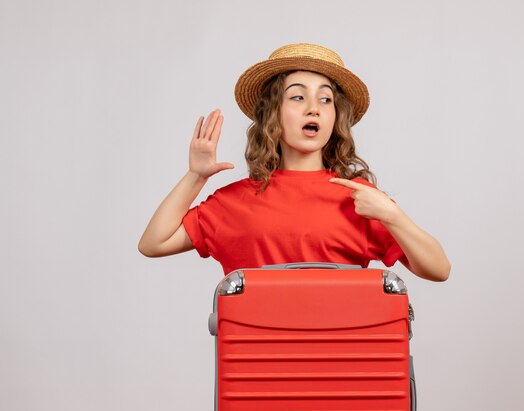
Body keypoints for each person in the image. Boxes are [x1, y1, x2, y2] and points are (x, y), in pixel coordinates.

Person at [138, 43, 450, 282]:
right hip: (257, 361)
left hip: (344, 360)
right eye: (298, 97)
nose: (314, 108)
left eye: (325, 99)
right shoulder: (232, 202)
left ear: (335, 117)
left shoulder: (360, 199)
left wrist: (392, 216)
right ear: (273, 114)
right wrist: (196, 176)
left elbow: (438, 269)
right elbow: (153, 243)